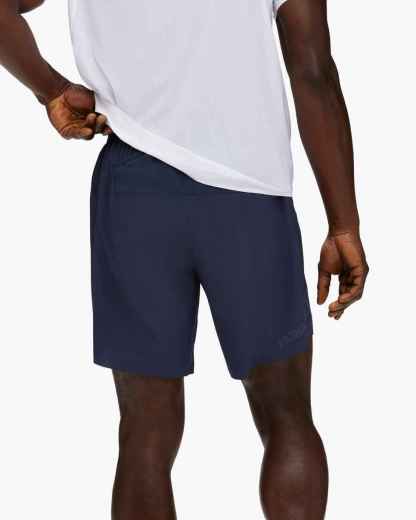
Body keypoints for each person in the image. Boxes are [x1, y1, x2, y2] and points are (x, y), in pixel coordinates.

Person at [0, 0, 369, 518]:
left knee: (144, 432)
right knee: (286, 414)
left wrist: (51, 89)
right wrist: (343, 222)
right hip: (249, 195)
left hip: (134, 189)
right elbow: (312, 71)